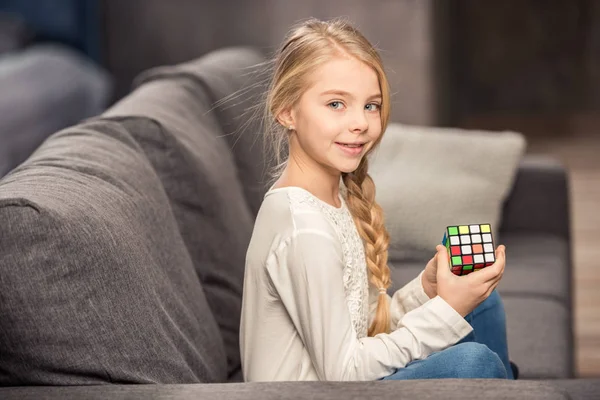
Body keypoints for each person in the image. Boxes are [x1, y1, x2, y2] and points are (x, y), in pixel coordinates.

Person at [239, 17, 516, 382]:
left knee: (483, 305)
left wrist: (427, 291)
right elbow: (344, 371)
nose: (360, 122)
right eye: (336, 104)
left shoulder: (331, 199)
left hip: (345, 378)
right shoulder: (305, 232)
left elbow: (363, 328)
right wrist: (446, 310)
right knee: (472, 363)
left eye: (371, 105)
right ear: (287, 111)